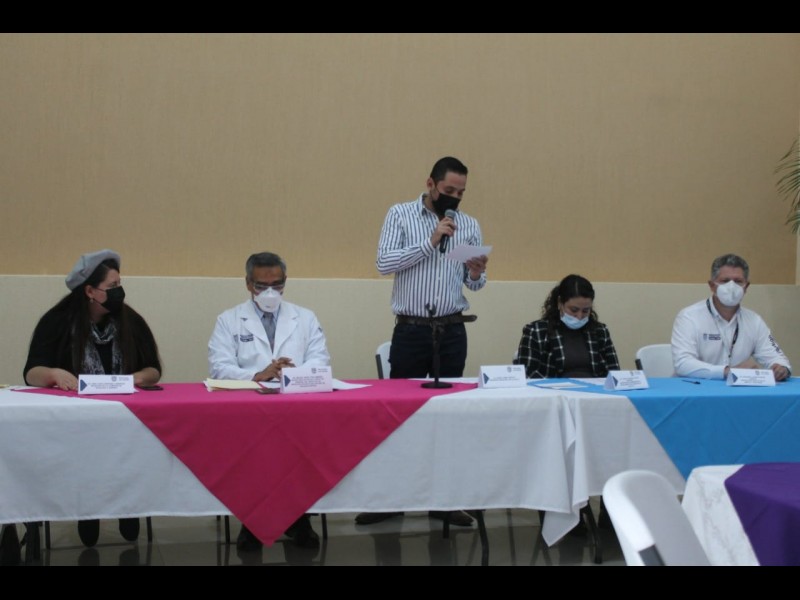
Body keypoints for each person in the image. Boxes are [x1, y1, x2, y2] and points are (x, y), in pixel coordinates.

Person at [357, 156, 488, 528]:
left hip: (452, 329)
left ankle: (443, 501)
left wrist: (477, 273)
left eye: (460, 193)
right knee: (399, 416)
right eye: (448, 190)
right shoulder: (400, 215)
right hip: (412, 330)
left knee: (448, 417)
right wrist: (431, 242)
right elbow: (384, 263)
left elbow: (474, 284)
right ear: (430, 184)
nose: (454, 199)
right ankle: (390, 500)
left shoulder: (469, 225)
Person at [23, 249, 162, 548]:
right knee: (87, 458)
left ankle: (128, 509)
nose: (119, 292)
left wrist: (135, 378)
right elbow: (31, 373)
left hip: (126, 420)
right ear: (89, 291)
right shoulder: (57, 322)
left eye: (119, 284)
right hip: (76, 424)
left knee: (127, 456)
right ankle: (88, 512)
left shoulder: (131, 321)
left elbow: (153, 370)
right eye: (112, 286)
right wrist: (53, 373)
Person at [207, 251, 330, 551]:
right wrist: (258, 375)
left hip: (296, 408)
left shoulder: (305, 317)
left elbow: (320, 359)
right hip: (248, 409)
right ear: (248, 284)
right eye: (262, 286)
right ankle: (252, 522)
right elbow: (219, 367)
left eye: (277, 284)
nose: (270, 292)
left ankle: (300, 519)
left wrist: (294, 374)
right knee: (253, 456)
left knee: (303, 451)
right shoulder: (229, 320)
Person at [672, 253, 791, 381]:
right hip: (695, 388)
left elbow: (777, 358)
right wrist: (728, 372)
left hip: (738, 389)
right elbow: (682, 363)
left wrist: (781, 368)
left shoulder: (754, 321)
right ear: (712, 286)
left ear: (746, 287)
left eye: (738, 281)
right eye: (725, 281)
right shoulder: (689, 317)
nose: (731, 287)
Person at [514, 274, 620, 379]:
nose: (579, 316)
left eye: (585, 311)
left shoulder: (600, 331)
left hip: (596, 389)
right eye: (574, 310)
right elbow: (527, 373)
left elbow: (615, 374)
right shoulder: (536, 331)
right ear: (560, 303)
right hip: (553, 389)